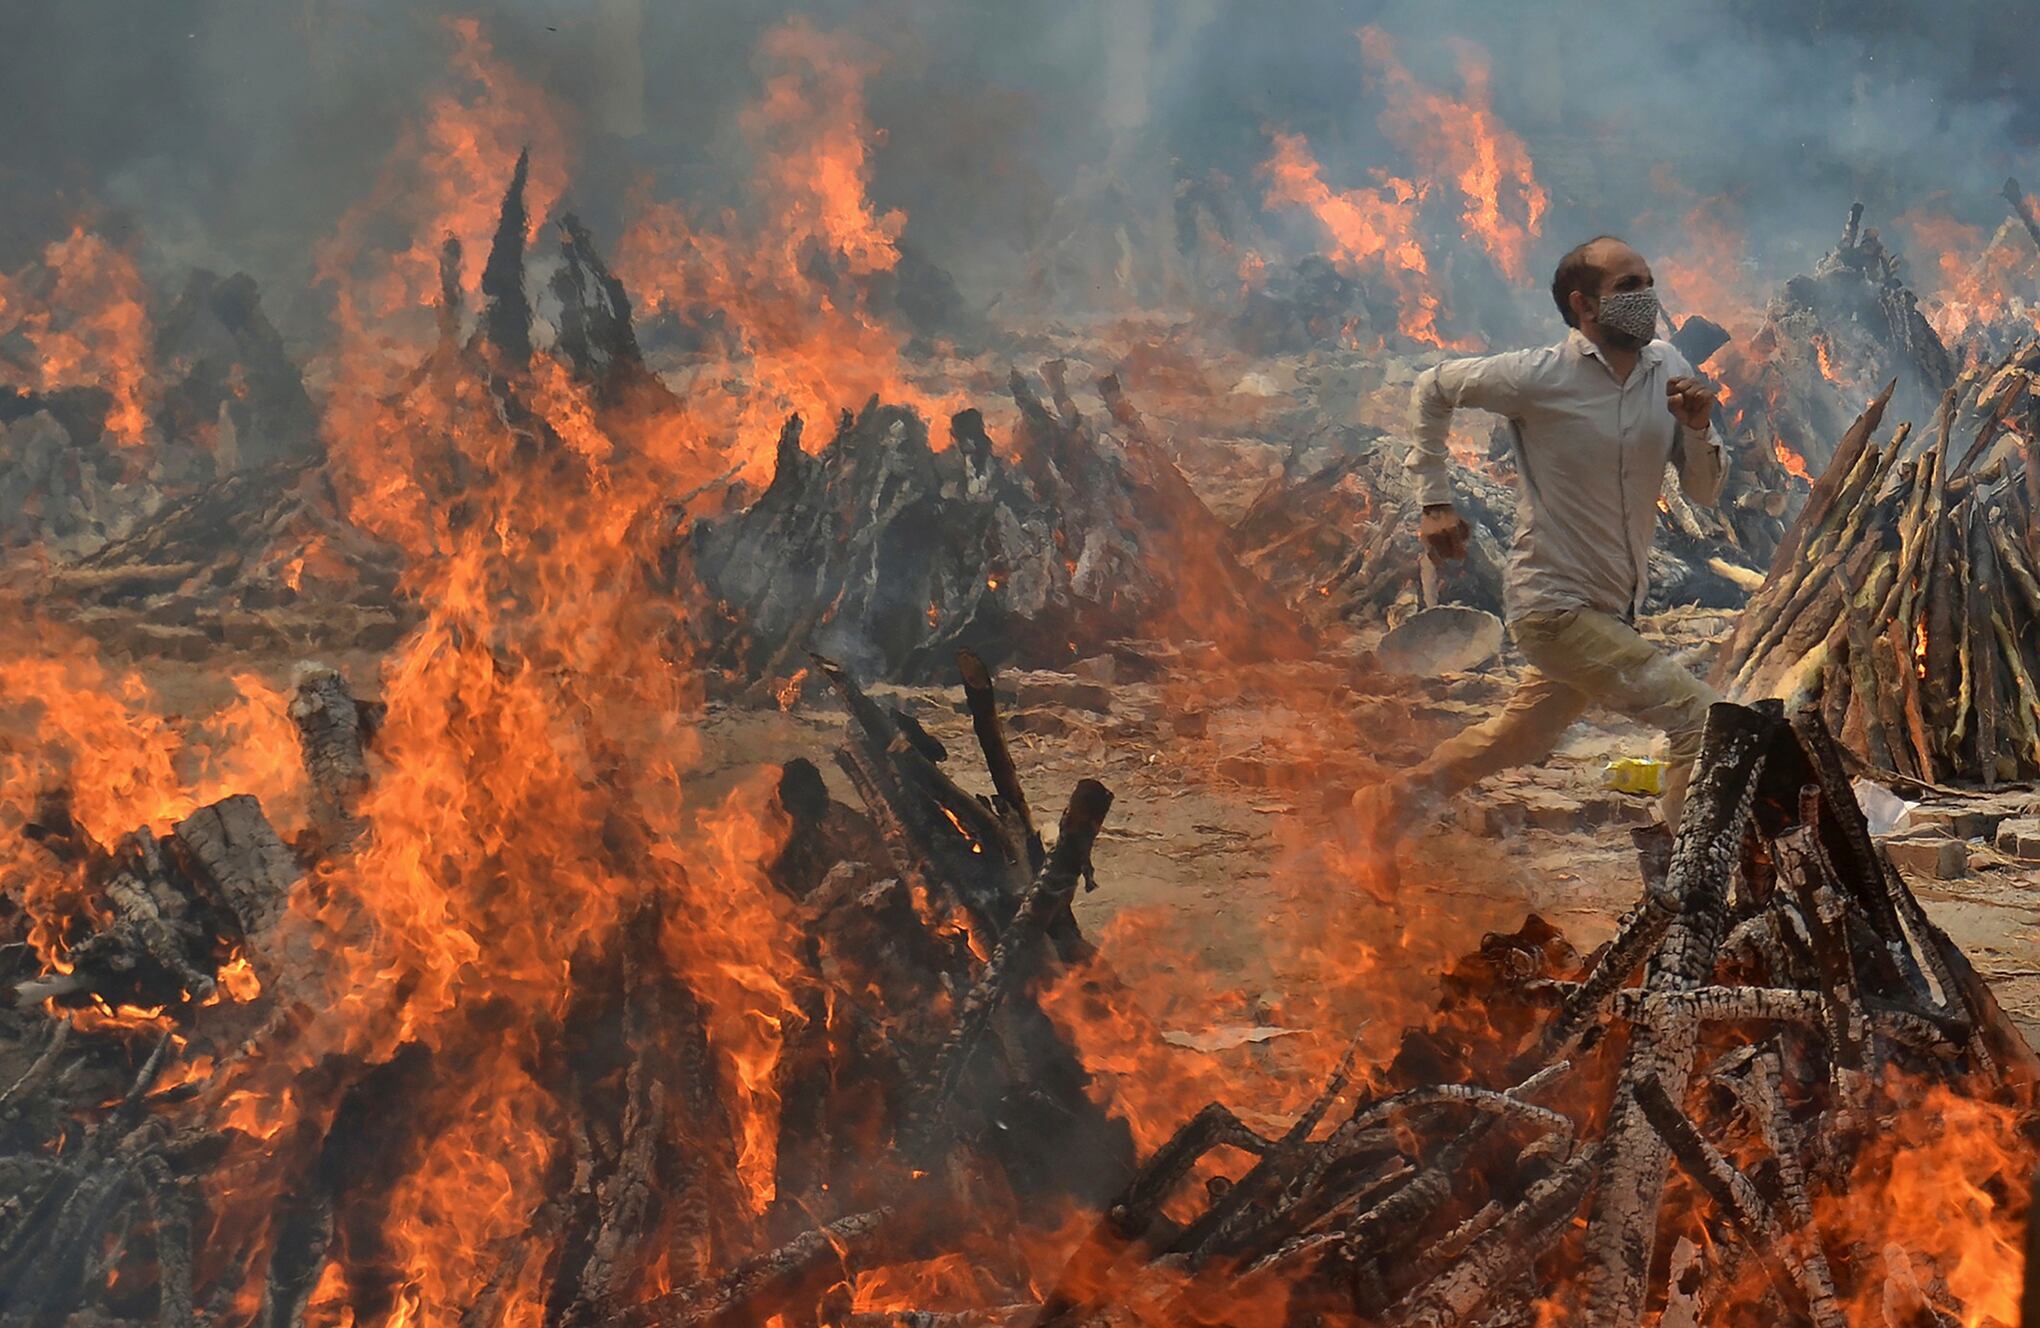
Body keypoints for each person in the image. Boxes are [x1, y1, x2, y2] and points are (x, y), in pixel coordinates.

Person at [1354, 235, 1727, 843]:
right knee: (1701, 723)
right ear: (1584, 306)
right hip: (1552, 605)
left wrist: (1699, 429)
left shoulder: (1671, 369)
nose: (1647, 298)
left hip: (1613, 609)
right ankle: (1690, 889)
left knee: (1518, 738)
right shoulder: (1540, 376)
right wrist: (1434, 500)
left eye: (1648, 281)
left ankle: (1386, 807)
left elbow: (1705, 493)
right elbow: (1433, 387)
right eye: (1628, 287)